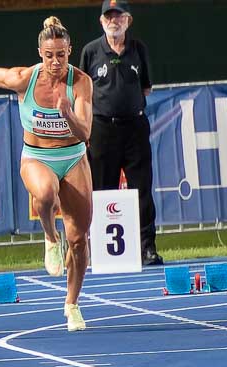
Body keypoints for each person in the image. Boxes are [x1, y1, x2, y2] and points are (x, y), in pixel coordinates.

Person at [0, 16, 94, 332]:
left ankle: (71, 304)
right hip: (37, 157)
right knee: (45, 194)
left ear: (70, 50)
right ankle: (49, 236)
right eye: (49, 56)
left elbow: (85, 132)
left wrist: (67, 113)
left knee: (80, 240)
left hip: (72, 158)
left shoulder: (81, 82)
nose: (55, 62)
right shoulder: (25, 79)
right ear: (40, 53)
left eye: (61, 54)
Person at [79, 0, 162, 265]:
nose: (113, 21)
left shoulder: (139, 49)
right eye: (108, 17)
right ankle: (102, 248)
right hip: (103, 128)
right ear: (101, 21)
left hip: (134, 127)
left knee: (142, 189)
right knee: (103, 189)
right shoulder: (91, 51)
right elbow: (82, 92)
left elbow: (146, 87)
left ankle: (146, 247)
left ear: (128, 20)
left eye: (118, 16)